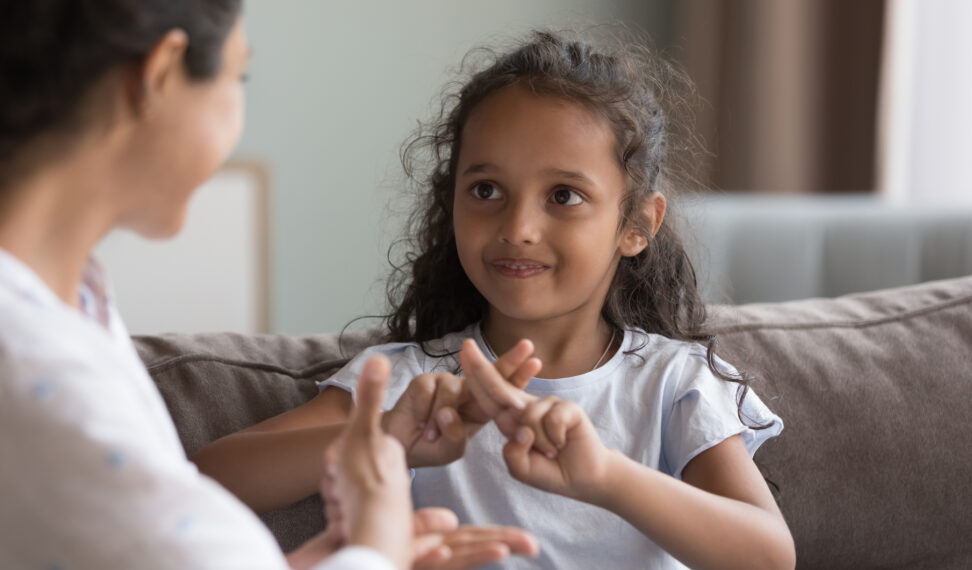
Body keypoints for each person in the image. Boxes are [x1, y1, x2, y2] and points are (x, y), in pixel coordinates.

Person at [0, 1, 538, 568]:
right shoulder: (20, 374)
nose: (236, 119)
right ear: (160, 73)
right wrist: (375, 543)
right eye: (238, 80)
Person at [195, 30, 796, 568]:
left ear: (637, 223)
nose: (518, 227)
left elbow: (768, 556)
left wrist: (608, 477)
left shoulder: (675, 383)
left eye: (563, 195)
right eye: (486, 189)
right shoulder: (416, 383)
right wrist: (388, 435)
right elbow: (205, 479)